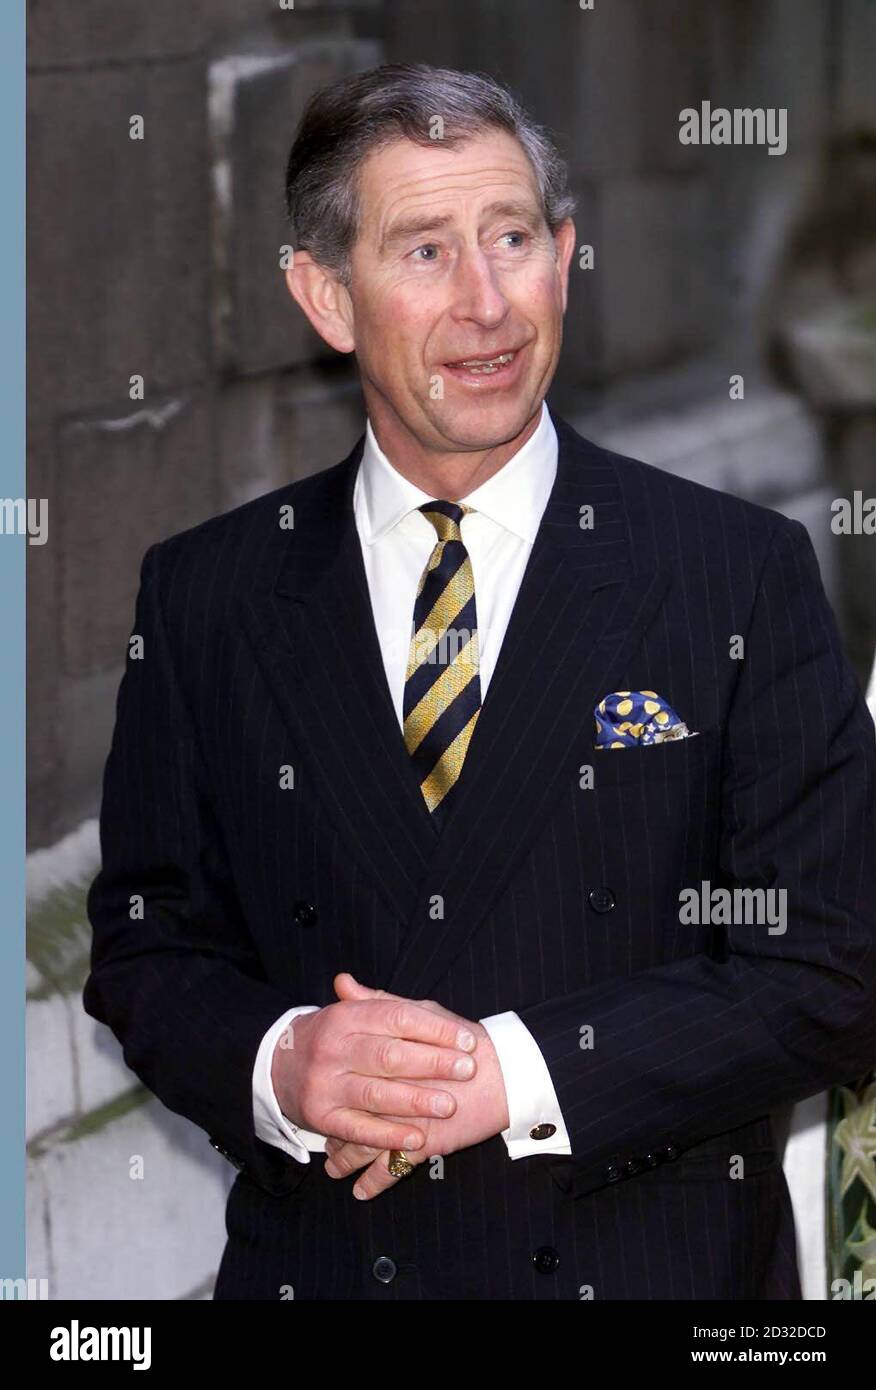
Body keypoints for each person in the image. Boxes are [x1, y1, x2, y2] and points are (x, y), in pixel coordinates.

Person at [84, 63, 876, 1301]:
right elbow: (145, 945)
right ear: (326, 296)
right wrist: (281, 1063)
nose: (488, 303)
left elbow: (835, 969)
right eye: (424, 252)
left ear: (566, 254)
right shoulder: (207, 601)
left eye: (513, 238)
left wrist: (507, 1073)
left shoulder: (736, 575)